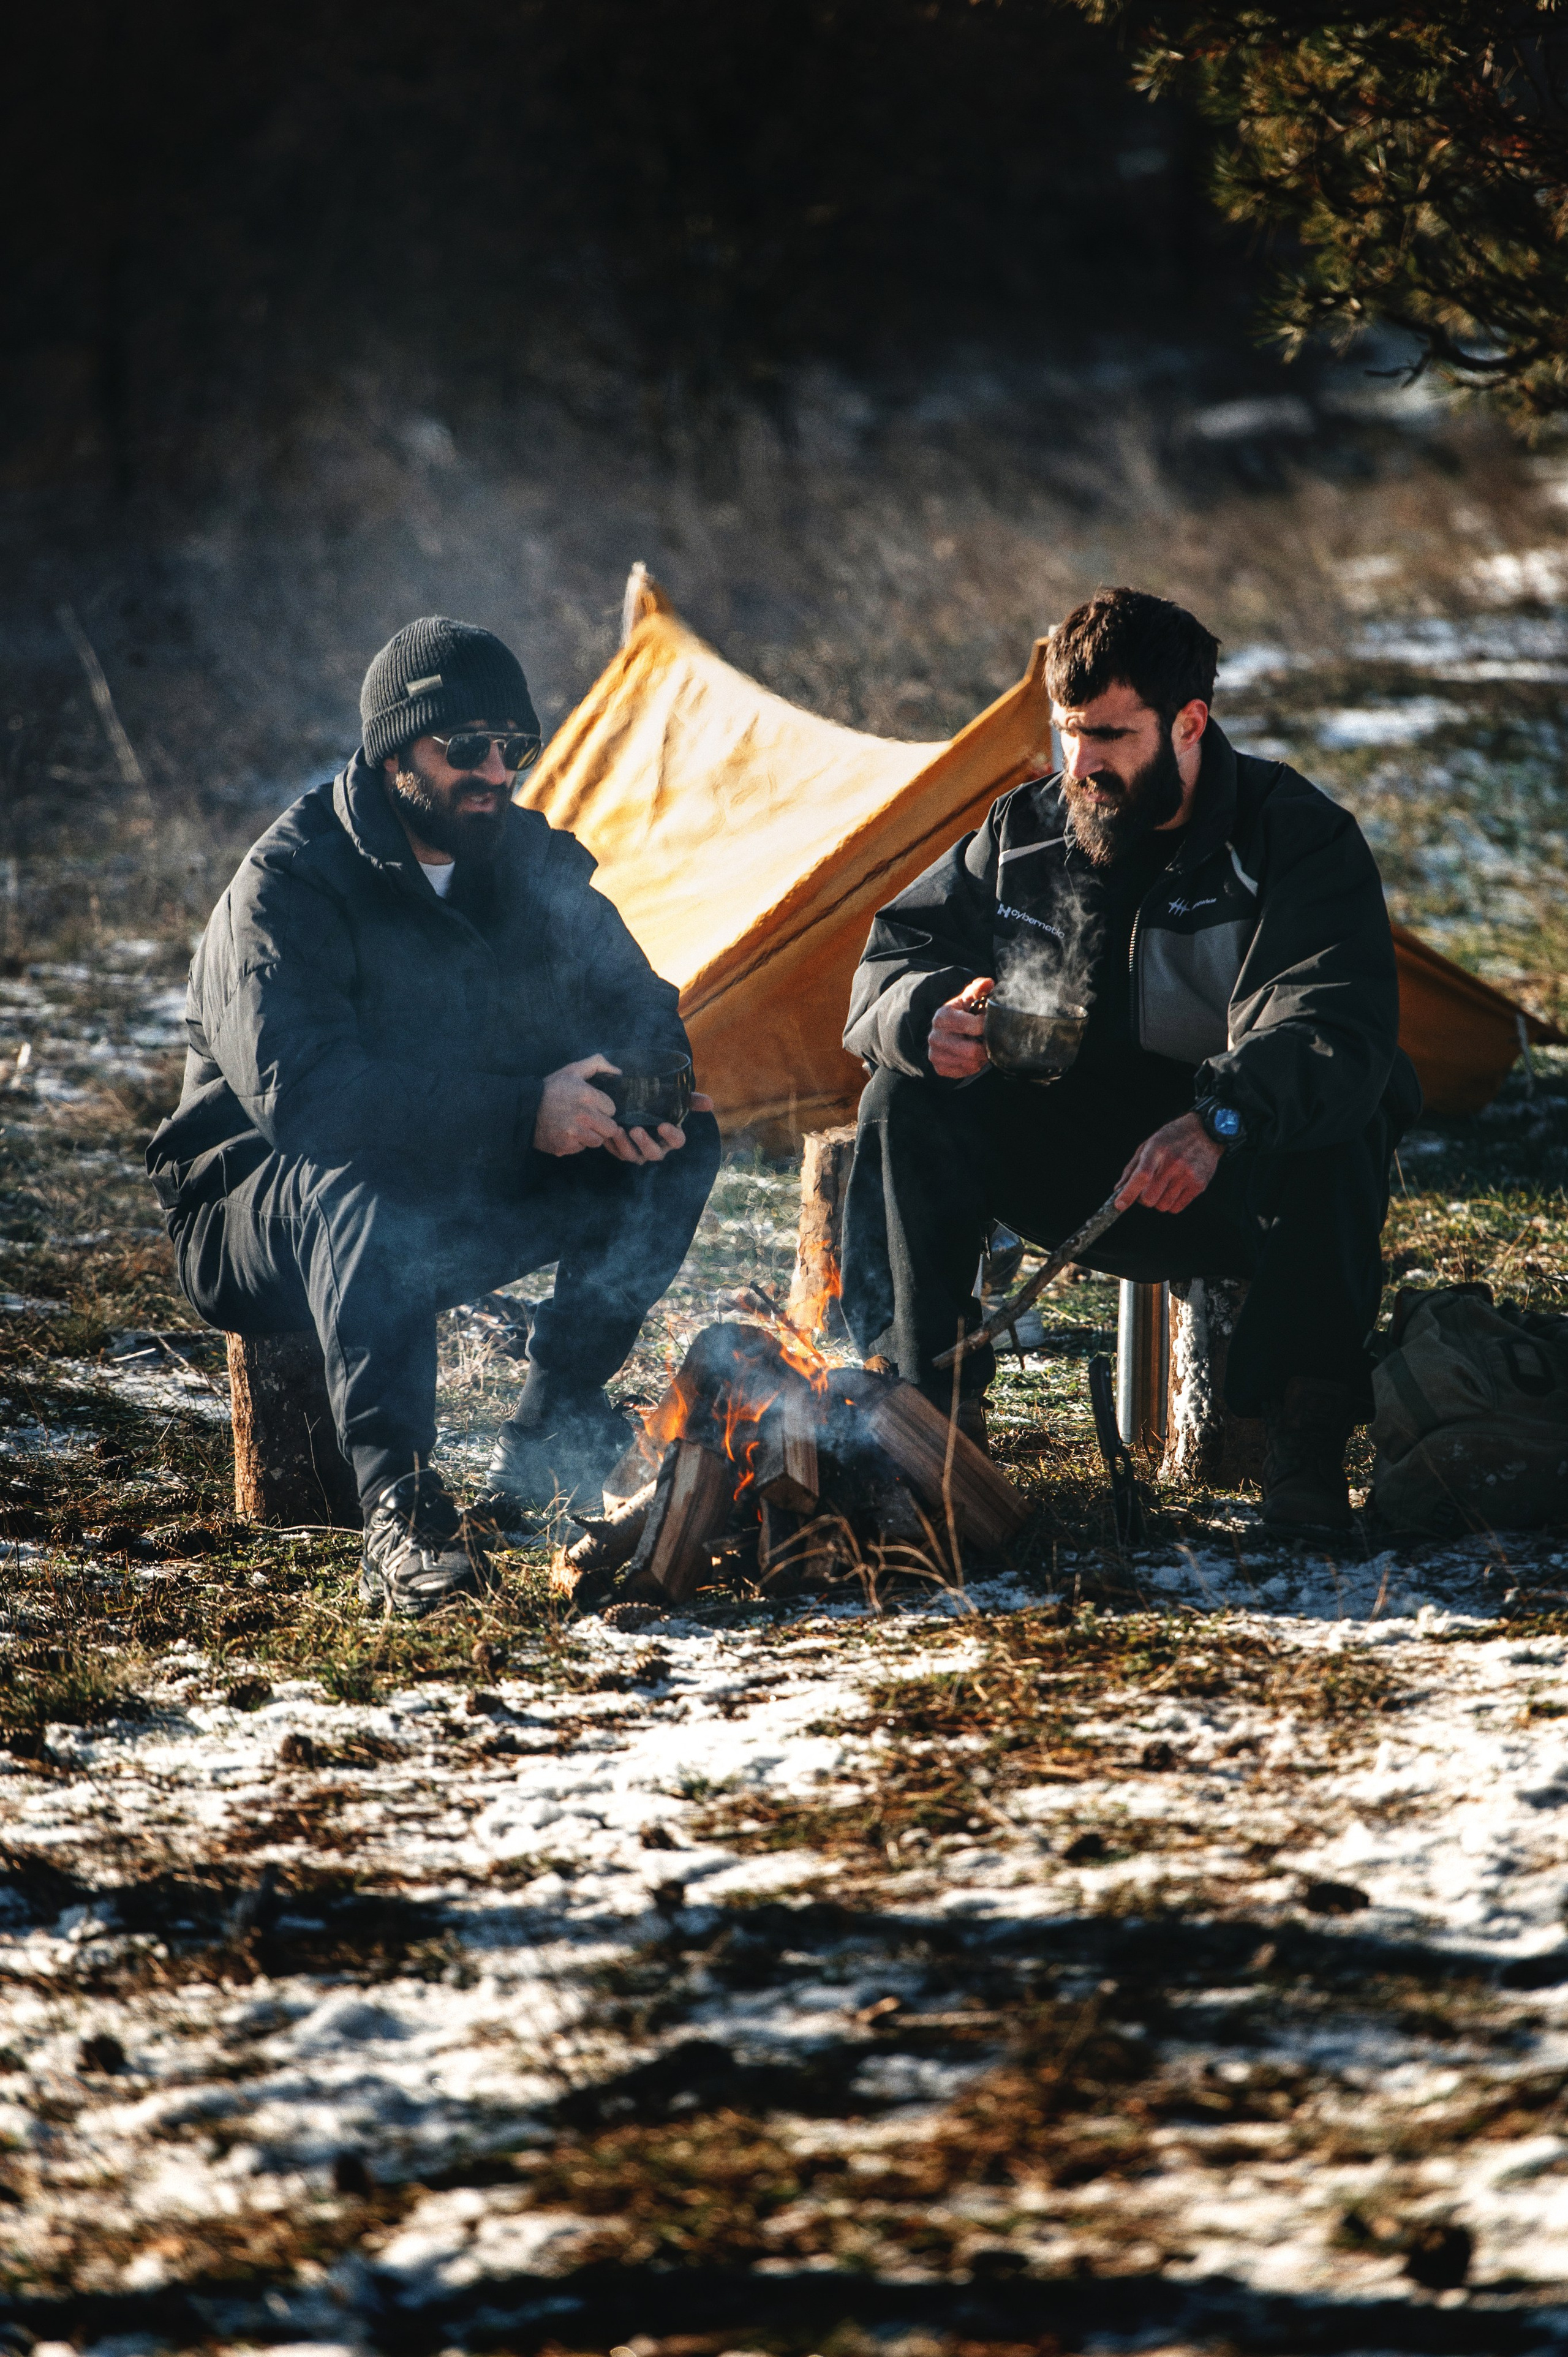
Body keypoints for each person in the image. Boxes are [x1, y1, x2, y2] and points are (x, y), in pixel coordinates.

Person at [147, 616, 720, 1613]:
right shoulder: (287, 884)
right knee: (363, 1170)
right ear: (393, 749)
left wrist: (642, 1088)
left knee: (683, 1141)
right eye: (466, 748)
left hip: (453, 1176)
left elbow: (640, 1000)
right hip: (254, 1208)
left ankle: (550, 1429)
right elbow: (311, 1100)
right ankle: (399, 1512)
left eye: (514, 748)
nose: (495, 771)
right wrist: (522, 1114)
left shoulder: (529, 863)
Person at [839, 586, 1420, 1533]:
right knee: (901, 1101)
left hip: (1234, 1177)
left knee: (1349, 1110)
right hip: (1073, 1169)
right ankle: (935, 1423)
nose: (1082, 761)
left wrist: (1221, 1120)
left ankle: (1304, 1441)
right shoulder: (1024, 831)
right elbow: (891, 957)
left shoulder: (1295, 836)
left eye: (1109, 734)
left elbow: (1331, 1023)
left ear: (1190, 722)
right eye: (1070, 730)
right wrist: (923, 1017)